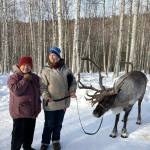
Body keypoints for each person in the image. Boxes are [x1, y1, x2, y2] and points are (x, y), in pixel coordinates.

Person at [40, 47, 77, 150]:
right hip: (50, 103)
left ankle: (56, 141)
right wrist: (46, 96)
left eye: (54, 54)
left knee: (58, 124)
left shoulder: (66, 69)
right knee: (49, 124)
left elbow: (73, 82)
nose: (52, 56)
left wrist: (72, 90)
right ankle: (45, 142)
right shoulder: (45, 70)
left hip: (63, 103)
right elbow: (42, 86)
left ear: (58, 56)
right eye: (50, 54)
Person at [7, 56, 41, 150]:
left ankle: (27, 147)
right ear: (20, 65)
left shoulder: (35, 77)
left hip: (32, 111)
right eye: (24, 65)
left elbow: (41, 89)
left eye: (28, 65)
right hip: (20, 113)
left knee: (29, 133)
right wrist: (25, 80)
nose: (26, 67)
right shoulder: (14, 77)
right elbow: (16, 90)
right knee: (18, 135)